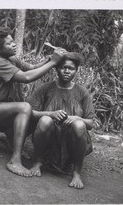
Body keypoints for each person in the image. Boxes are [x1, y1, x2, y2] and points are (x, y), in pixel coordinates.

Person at [0, 27, 66, 177]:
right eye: (9, 43)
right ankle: (15, 161)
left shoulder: (11, 59)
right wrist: (53, 63)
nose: (14, 45)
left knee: (30, 114)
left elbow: (31, 68)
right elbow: (26, 77)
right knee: (25, 107)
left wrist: (50, 59)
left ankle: (12, 142)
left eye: (13, 41)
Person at [28, 52, 95, 189]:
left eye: (71, 68)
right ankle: (37, 162)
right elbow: (30, 113)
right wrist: (50, 114)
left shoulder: (82, 92)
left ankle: (76, 173)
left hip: (72, 141)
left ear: (76, 71)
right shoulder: (46, 88)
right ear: (57, 69)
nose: (67, 71)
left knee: (79, 125)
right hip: (49, 138)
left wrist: (77, 118)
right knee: (45, 120)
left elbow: (91, 123)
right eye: (63, 67)